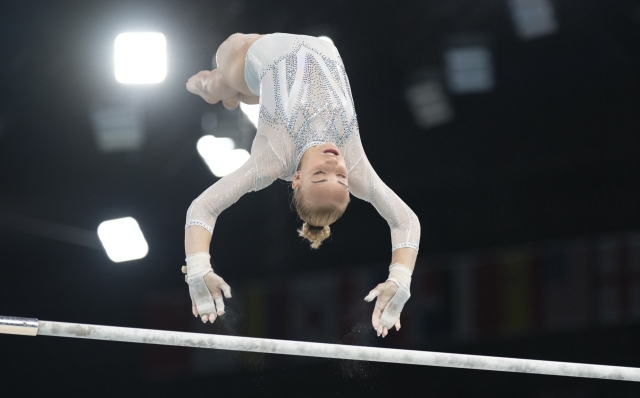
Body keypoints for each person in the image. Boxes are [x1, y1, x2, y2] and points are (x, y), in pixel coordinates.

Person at [183, 33, 420, 338]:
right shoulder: (356, 164)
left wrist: (199, 268)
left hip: (250, 56)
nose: (335, 166)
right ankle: (238, 95)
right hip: (312, 47)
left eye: (320, 175)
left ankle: (211, 89)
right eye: (342, 179)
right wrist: (400, 278)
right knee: (244, 93)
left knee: (219, 83)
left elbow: (203, 207)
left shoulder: (274, 159)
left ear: (296, 178)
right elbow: (405, 220)